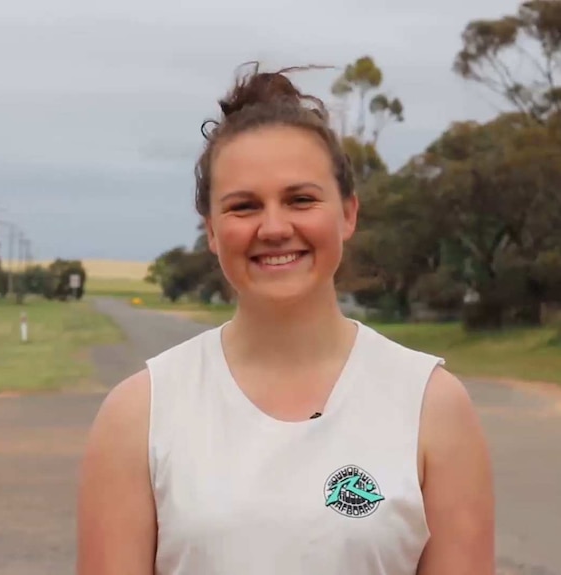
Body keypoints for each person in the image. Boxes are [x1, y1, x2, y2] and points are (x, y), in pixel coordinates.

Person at [76, 62, 495, 575]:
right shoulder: (139, 414)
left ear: (347, 213)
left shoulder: (432, 405)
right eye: (244, 206)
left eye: (300, 199)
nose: (274, 228)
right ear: (211, 231)